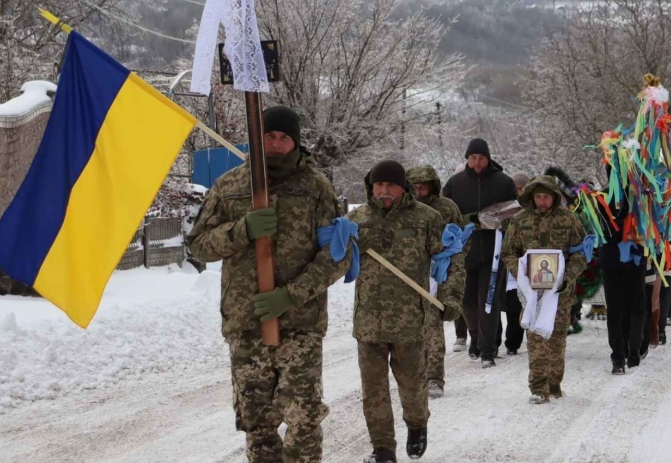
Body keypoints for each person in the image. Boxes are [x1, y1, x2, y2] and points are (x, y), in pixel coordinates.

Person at [187, 105, 351, 463]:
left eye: (284, 137)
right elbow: (198, 244)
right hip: (246, 323)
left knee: (303, 420)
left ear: (295, 142)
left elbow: (338, 256)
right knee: (257, 424)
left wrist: (290, 296)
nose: (276, 144)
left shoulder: (316, 188)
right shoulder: (229, 186)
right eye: (269, 136)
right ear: (258, 138)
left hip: (299, 325)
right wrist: (240, 230)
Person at [348, 161, 465, 463]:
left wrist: (451, 297)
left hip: (411, 322)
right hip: (369, 322)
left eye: (390, 185)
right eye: (378, 185)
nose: (384, 191)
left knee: (413, 388)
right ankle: (383, 448)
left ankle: (417, 424)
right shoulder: (356, 219)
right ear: (371, 187)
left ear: (404, 188)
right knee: (373, 391)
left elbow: (451, 258)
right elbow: (333, 256)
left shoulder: (426, 219)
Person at [502, 175, 589, 404]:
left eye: (546, 196)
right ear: (531, 196)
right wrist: (520, 274)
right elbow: (508, 252)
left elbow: (581, 253)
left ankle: (554, 383)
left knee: (557, 337)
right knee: (535, 336)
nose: (542, 201)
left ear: (554, 197)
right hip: (532, 293)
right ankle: (538, 387)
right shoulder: (520, 221)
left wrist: (567, 277)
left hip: (560, 292)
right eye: (538, 196)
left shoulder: (568, 220)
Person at [442, 138, 518, 368]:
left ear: (488, 158)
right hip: (464, 252)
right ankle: (475, 336)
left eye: (481, 158)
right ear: (467, 159)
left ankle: (487, 349)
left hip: (494, 251)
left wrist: (498, 222)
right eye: (473, 158)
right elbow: (446, 215)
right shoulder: (455, 184)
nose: (477, 162)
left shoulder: (504, 181)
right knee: (466, 299)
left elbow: (514, 213)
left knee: (489, 298)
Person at [406, 165, 467, 401]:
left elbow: (458, 243)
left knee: (432, 325)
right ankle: (412, 375)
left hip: (437, 272)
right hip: (408, 273)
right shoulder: (404, 209)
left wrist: (452, 274)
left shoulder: (446, 208)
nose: (419, 190)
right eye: (414, 186)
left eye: (423, 186)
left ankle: (434, 377)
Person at [600, 166, 648, 375]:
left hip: (631, 260)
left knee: (629, 308)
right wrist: (626, 229)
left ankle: (629, 352)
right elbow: (604, 230)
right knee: (623, 309)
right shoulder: (603, 199)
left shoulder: (641, 196)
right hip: (618, 261)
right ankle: (623, 354)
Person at [500, 172, 532, 355]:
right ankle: (513, 342)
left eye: (522, 188)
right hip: (514, 263)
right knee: (514, 306)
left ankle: (535, 339)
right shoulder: (507, 208)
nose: (519, 191)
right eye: (517, 188)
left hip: (532, 261)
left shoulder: (533, 207)